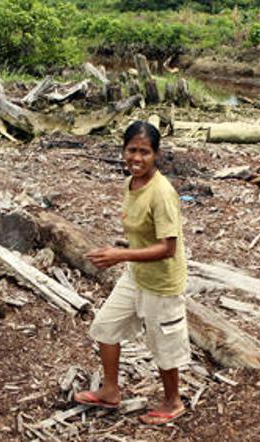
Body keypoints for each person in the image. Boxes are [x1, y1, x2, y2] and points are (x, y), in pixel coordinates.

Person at [74, 120, 190, 425]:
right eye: (131, 150)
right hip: (136, 274)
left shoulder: (162, 193)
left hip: (162, 282)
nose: (136, 158)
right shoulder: (131, 184)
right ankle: (111, 390)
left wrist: (119, 254)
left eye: (144, 152)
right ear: (123, 150)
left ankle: (173, 401)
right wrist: (123, 256)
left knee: (163, 347)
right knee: (105, 327)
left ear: (157, 155)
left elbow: (168, 248)